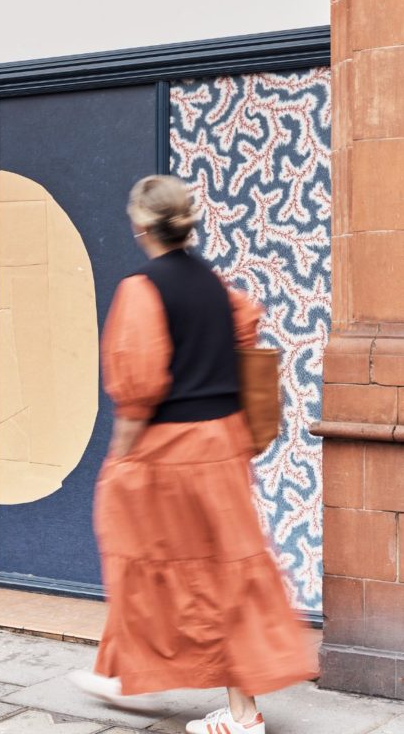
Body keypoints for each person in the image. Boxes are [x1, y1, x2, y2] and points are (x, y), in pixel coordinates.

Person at [71, 175, 317, 734]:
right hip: (222, 444)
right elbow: (245, 326)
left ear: (140, 226)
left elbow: (138, 390)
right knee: (218, 570)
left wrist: (120, 459)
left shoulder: (142, 288)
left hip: (170, 453)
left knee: (147, 561)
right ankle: (126, 671)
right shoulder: (212, 283)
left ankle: (240, 713)